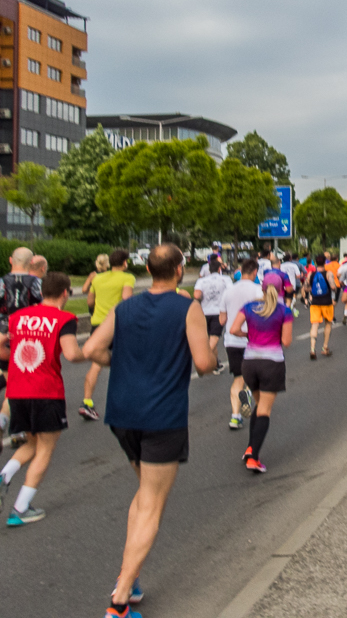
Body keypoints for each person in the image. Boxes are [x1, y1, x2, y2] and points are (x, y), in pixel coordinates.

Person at [82, 243, 216, 618]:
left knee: (144, 494)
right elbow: (204, 363)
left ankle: (132, 576)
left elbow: (92, 348)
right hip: (162, 417)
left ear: (147, 270)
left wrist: (118, 359)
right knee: (153, 504)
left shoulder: (126, 307)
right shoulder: (186, 307)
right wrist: (213, 357)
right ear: (178, 270)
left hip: (122, 414)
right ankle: (120, 599)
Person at [0, 272, 86, 525]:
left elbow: (1, 346)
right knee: (46, 448)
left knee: (32, 443)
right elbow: (71, 354)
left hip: (16, 390)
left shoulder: (18, 317)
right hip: (45, 391)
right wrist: (90, 352)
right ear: (64, 293)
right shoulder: (64, 318)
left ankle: (4, 475)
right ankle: (21, 508)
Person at [230, 273, 293, 474]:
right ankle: (254, 458)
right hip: (271, 363)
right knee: (264, 410)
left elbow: (233, 329)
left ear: (262, 288)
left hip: (249, 362)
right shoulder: (284, 310)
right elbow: (286, 341)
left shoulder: (248, 307)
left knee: (258, 406)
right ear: (282, 289)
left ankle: (250, 447)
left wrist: (249, 335)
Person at [80, 249, 136, 421]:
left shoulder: (97, 278)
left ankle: (87, 402)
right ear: (125, 262)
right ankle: (128, 403)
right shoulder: (128, 278)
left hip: (97, 324)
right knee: (127, 362)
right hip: (117, 323)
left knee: (96, 365)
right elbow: (126, 299)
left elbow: (90, 300)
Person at [0, 247, 43, 440]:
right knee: (23, 384)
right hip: (27, 335)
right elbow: (43, 307)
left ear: (10, 260)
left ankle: (13, 425)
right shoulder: (36, 283)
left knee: (11, 381)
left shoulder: (1, 282)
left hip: (3, 334)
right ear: (32, 262)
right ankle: (16, 427)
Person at [219, 258, 262, 430]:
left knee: (238, 378)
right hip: (252, 340)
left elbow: (222, 319)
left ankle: (235, 417)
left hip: (232, 341)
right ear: (255, 273)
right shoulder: (259, 291)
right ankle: (249, 394)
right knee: (256, 376)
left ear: (240, 271)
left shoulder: (228, 291)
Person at [192, 258, 232, 374]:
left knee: (210, 337)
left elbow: (197, 295)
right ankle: (203, 359)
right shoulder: (225, 279)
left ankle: (216, 364)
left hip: (204, 312)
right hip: (219, 311)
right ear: (220, 269)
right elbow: (230, 292)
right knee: (214, 338)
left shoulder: (202, 281)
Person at [308, 255, 337, 360]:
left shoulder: (311, 274)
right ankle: (325, 347)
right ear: (325, 262)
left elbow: (307, 287)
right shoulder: (328, 274)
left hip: (315, 303)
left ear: (315, 262)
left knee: (314, 325)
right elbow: (333, 287)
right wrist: (334, 289)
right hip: (327, 302)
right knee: (328, 324)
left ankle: (312, 349)